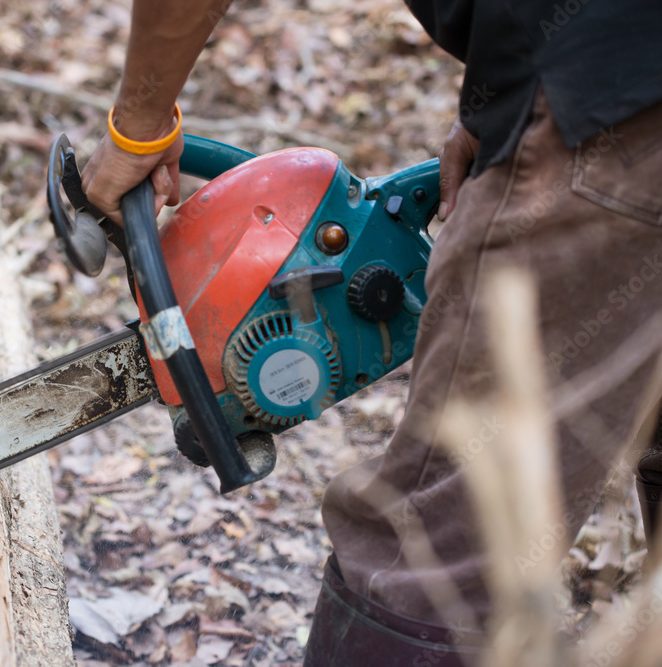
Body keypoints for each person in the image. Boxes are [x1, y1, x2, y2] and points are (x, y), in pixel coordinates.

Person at [81, 1, 662, 664]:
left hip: (612, 108)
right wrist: (497, 105)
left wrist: (138, 129)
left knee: (431, 554)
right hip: (607, 78)